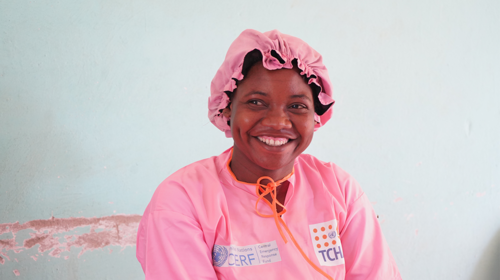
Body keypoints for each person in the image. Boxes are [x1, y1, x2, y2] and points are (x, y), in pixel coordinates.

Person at [136, 29, 401, 280]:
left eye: (297, 106)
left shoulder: (339, 190)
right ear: (227, 108)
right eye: (256, 102)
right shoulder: (182, 200)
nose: (277, 122)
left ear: (315, 117)